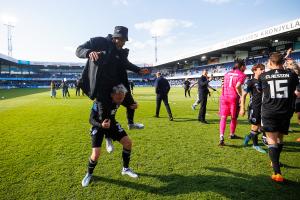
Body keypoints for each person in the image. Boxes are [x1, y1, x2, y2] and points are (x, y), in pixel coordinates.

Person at [76, 26, 148, 130]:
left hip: (117, 84)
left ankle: (131, 124)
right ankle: (108, 137)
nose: (124, 43)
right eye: (122, 40)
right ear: (115, 38)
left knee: (131, 104)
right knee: (104, 114)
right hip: (101, 86)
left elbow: (126, 63)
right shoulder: (100, 42)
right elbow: (79, 49)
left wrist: (138, 70)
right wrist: (89, 52)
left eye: (125, 41)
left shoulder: (120, 51)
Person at [82, 84, 138, 187]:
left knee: (128, 143)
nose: (120, 101)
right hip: (98, 126)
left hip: (111, 123)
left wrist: (134, 105)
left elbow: (130, 104)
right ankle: (89, 174)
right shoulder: (99, 102)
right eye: (118, 98)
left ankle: (125, 169)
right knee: (96, 153)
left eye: (122, 98)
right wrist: (101, 125)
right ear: (112, 95)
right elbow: (91, 119)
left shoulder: (120, 98)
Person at [259, 52, 298, 182]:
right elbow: (295, 92)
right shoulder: (292, 76)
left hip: (269, 111)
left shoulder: (263, 76)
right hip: (285, 111)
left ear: (270, 63)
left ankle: (277, 172)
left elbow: (261, 91)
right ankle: (275, 162)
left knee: (271, 141)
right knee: (279, 139)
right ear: (283, 63)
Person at [219, 59, 247, 146]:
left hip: (224, 97)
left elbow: (222, 85)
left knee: (223, 117)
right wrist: (241, 94)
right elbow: (238, 85)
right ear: (242, 66)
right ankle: (232, 134)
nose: (245, 68)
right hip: (233, 98)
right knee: (233, 117)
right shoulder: (242, 75)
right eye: (245, 66)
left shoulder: (227, 73)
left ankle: (221, 136)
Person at [240, 64, 266, 153]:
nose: (263, 71)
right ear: (255, 70)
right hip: (254, 107)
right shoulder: (250, 82)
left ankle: (249, 136)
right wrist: (242, 108)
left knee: (263, 127)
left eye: (264, 69)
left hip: (265, 107)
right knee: (255, 126)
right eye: (261, 69)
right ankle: (255, 145)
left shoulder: (265, 81)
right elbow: (243, 96)